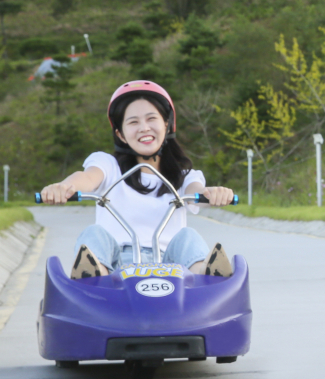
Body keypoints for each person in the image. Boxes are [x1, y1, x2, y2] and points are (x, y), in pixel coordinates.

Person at [39, 80, 236, 279]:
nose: (144, 128)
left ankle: (204, 275)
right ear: (121, 134)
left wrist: (214, 194)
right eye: (133, 122)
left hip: (171, 267)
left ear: (166, 124)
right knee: (94, 233)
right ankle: (94, 275)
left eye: (151, 119)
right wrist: (64, 187)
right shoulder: (108, 165)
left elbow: (197, 192)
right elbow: (87, 178)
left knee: (188, 236)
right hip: (116, 268)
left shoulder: (183, 176)